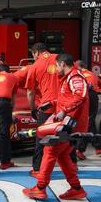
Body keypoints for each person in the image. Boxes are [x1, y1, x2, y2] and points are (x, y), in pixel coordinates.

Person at [23, 53, 88, 200]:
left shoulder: (75, 77)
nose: (56, 69)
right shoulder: (68, 78)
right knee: (63, 155)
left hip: (70, 124)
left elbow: (80, 96)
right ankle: (76, 188)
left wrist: (64, 111)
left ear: (63, 64)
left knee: (50, 151)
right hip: (70, 124)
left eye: (57, 66)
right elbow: (66, 98)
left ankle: (40, 188)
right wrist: (52, 103)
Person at [25, 43, 60, 177]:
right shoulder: (59, 59)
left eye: (32, 55)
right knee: (66, 137)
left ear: (36, 53)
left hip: (47, 107)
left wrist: (32, 109)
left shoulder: (34, 66)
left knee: (41, 137)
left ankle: (37, 168)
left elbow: (30, 92)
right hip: (63, 105)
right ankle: (72, 165)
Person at [75, 60, 101, 159]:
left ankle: (85, 148)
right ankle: (95, 147)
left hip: (81, 96)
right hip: (92, 96)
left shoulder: (77, 75)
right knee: (90, 122)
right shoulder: (92, 74)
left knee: (88, 123)